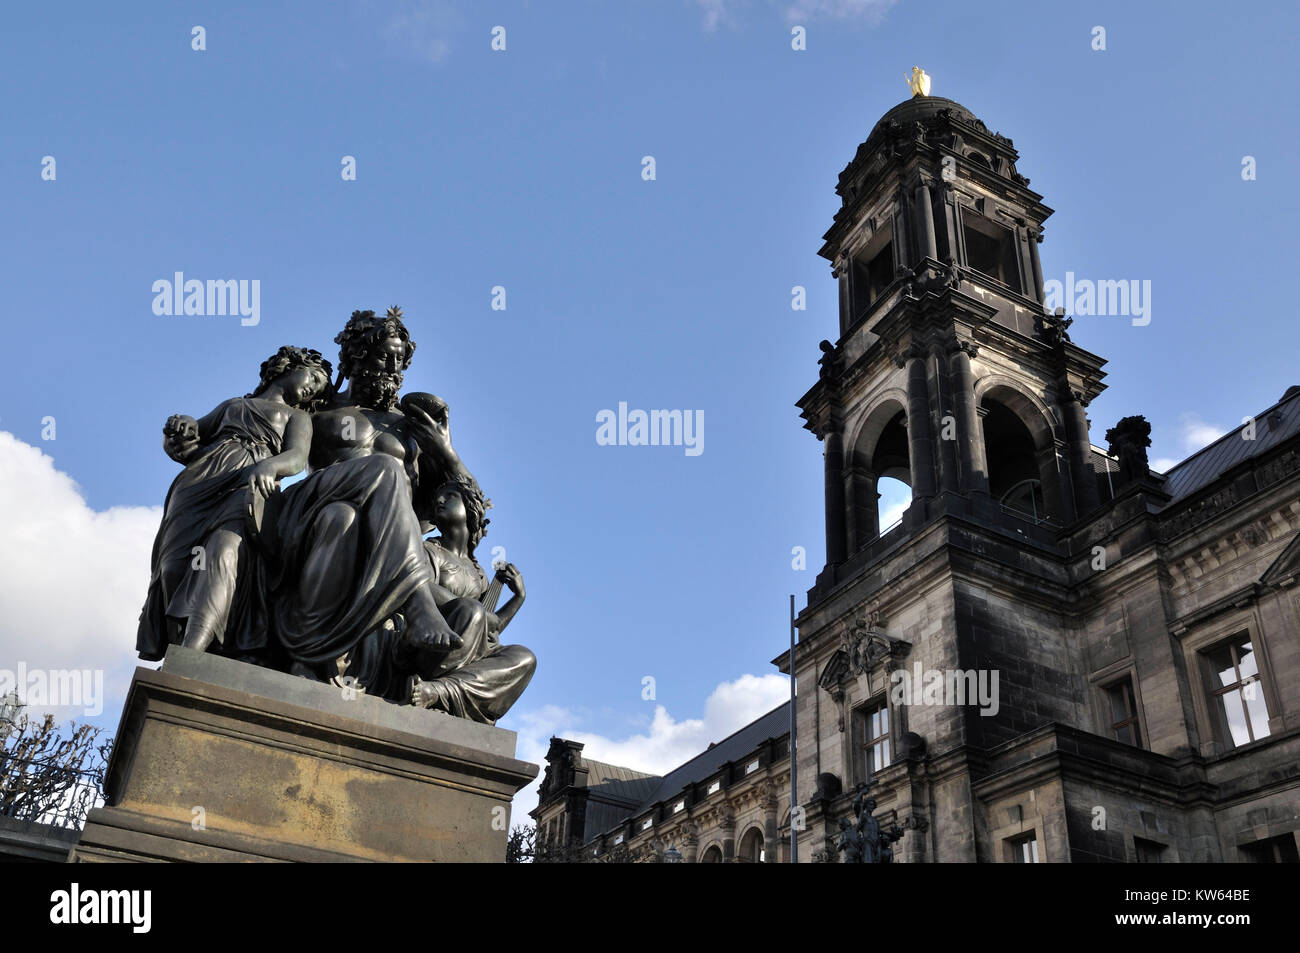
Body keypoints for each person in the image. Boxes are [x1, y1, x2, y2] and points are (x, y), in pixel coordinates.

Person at [137, 346, 332, 661]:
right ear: (289, 367)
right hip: (198, 484)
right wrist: (178, 429)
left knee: (225, 552)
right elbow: (189, 440)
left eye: (318, 389)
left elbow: (296, 458)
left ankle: (192, 655)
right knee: (174, 567)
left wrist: (270, 467)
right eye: (313, 378)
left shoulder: (299, 417)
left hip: (249, 488)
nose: (312, 388)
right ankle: (181, 647)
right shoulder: (234, 405)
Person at [404, 480, 534, 723]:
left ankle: (440, 691)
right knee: (472, 609)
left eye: (450, 496)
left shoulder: (479, 574)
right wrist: (472, 610)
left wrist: (517, 598)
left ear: (471, 509)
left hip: (464, 655)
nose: (440, 501)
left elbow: (488, 633)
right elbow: (418, 584)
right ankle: (444, 687)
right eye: (437, 500)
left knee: (524, 657)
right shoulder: (429, 551)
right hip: (432, 646)